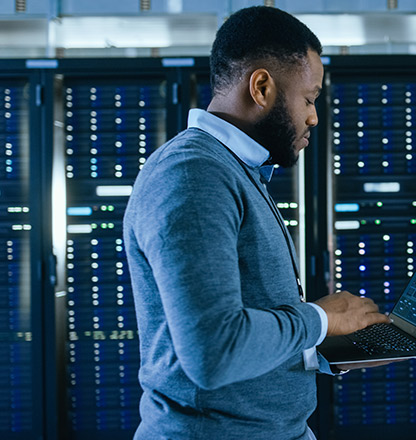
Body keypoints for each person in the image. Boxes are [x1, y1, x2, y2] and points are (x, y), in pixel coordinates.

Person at [123, 6, 391, 439]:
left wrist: (326, 347)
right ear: (262, 86)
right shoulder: (193, 176)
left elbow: (249, 326)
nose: (313, 118)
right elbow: (214, 350)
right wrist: (319, 320)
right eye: (308, 99)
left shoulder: (235, 170)